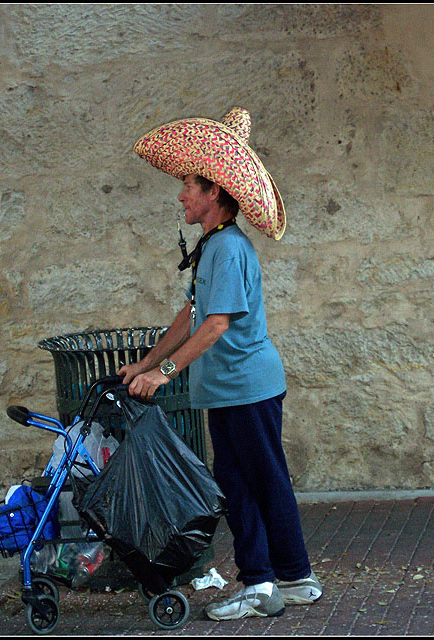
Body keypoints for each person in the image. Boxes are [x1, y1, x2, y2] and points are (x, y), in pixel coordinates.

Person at [118, 108, 322, 621]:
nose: (181, 195)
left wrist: (161, 377)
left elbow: (217, 325)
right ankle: (295, 579)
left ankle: (261, 584)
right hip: (235, 389)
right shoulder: (213, 247)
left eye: (189, 185)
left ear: (214, 193)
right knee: (256, 481)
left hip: (245, 387)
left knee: (249, 484)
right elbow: (192, 314)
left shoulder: (227, 247)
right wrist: (144, 361)